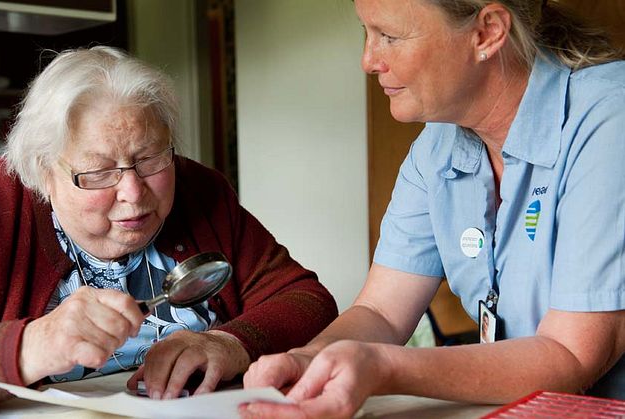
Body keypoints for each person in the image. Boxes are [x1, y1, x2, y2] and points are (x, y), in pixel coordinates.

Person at [0, 46, 338, 413]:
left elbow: (306, 299)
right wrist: (29, 347)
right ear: (43, 172)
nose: (134, 194)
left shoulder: (200, 190)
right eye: (98, 172)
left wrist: (230, 342)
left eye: (150, 159)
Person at [241, 0, 625, 417]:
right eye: (366, 33)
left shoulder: (609, 119)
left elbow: (572, 355)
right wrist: (309, 361)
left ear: (488, 32)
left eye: (389, 36)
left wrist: (382, 367)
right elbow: (381, 312)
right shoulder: (437, 147)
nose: (368, 61)